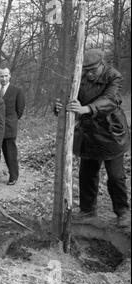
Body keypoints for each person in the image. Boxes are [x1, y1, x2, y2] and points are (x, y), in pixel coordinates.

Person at [55, 49, 131, 228]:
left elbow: (111, 99)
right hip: (88, 133)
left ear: (102, 64)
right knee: (87, 174)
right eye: (85, 70)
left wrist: (87, 109)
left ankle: (123, 211)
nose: (89, 74)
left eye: (92, 70)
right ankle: (88, 211)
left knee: (115, 176)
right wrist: (60, 107)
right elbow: (69, 98)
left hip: (111, 132)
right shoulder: (79, 77)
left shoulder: (113, 76)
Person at [0, 67, 25, 185]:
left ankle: (13, 176)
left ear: (10, 76)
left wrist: (11, 121)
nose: (3, 78)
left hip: (9, 128)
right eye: (1, 76)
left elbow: (20, 110)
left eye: (6, 76)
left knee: (10, 153)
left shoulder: (17, 91)